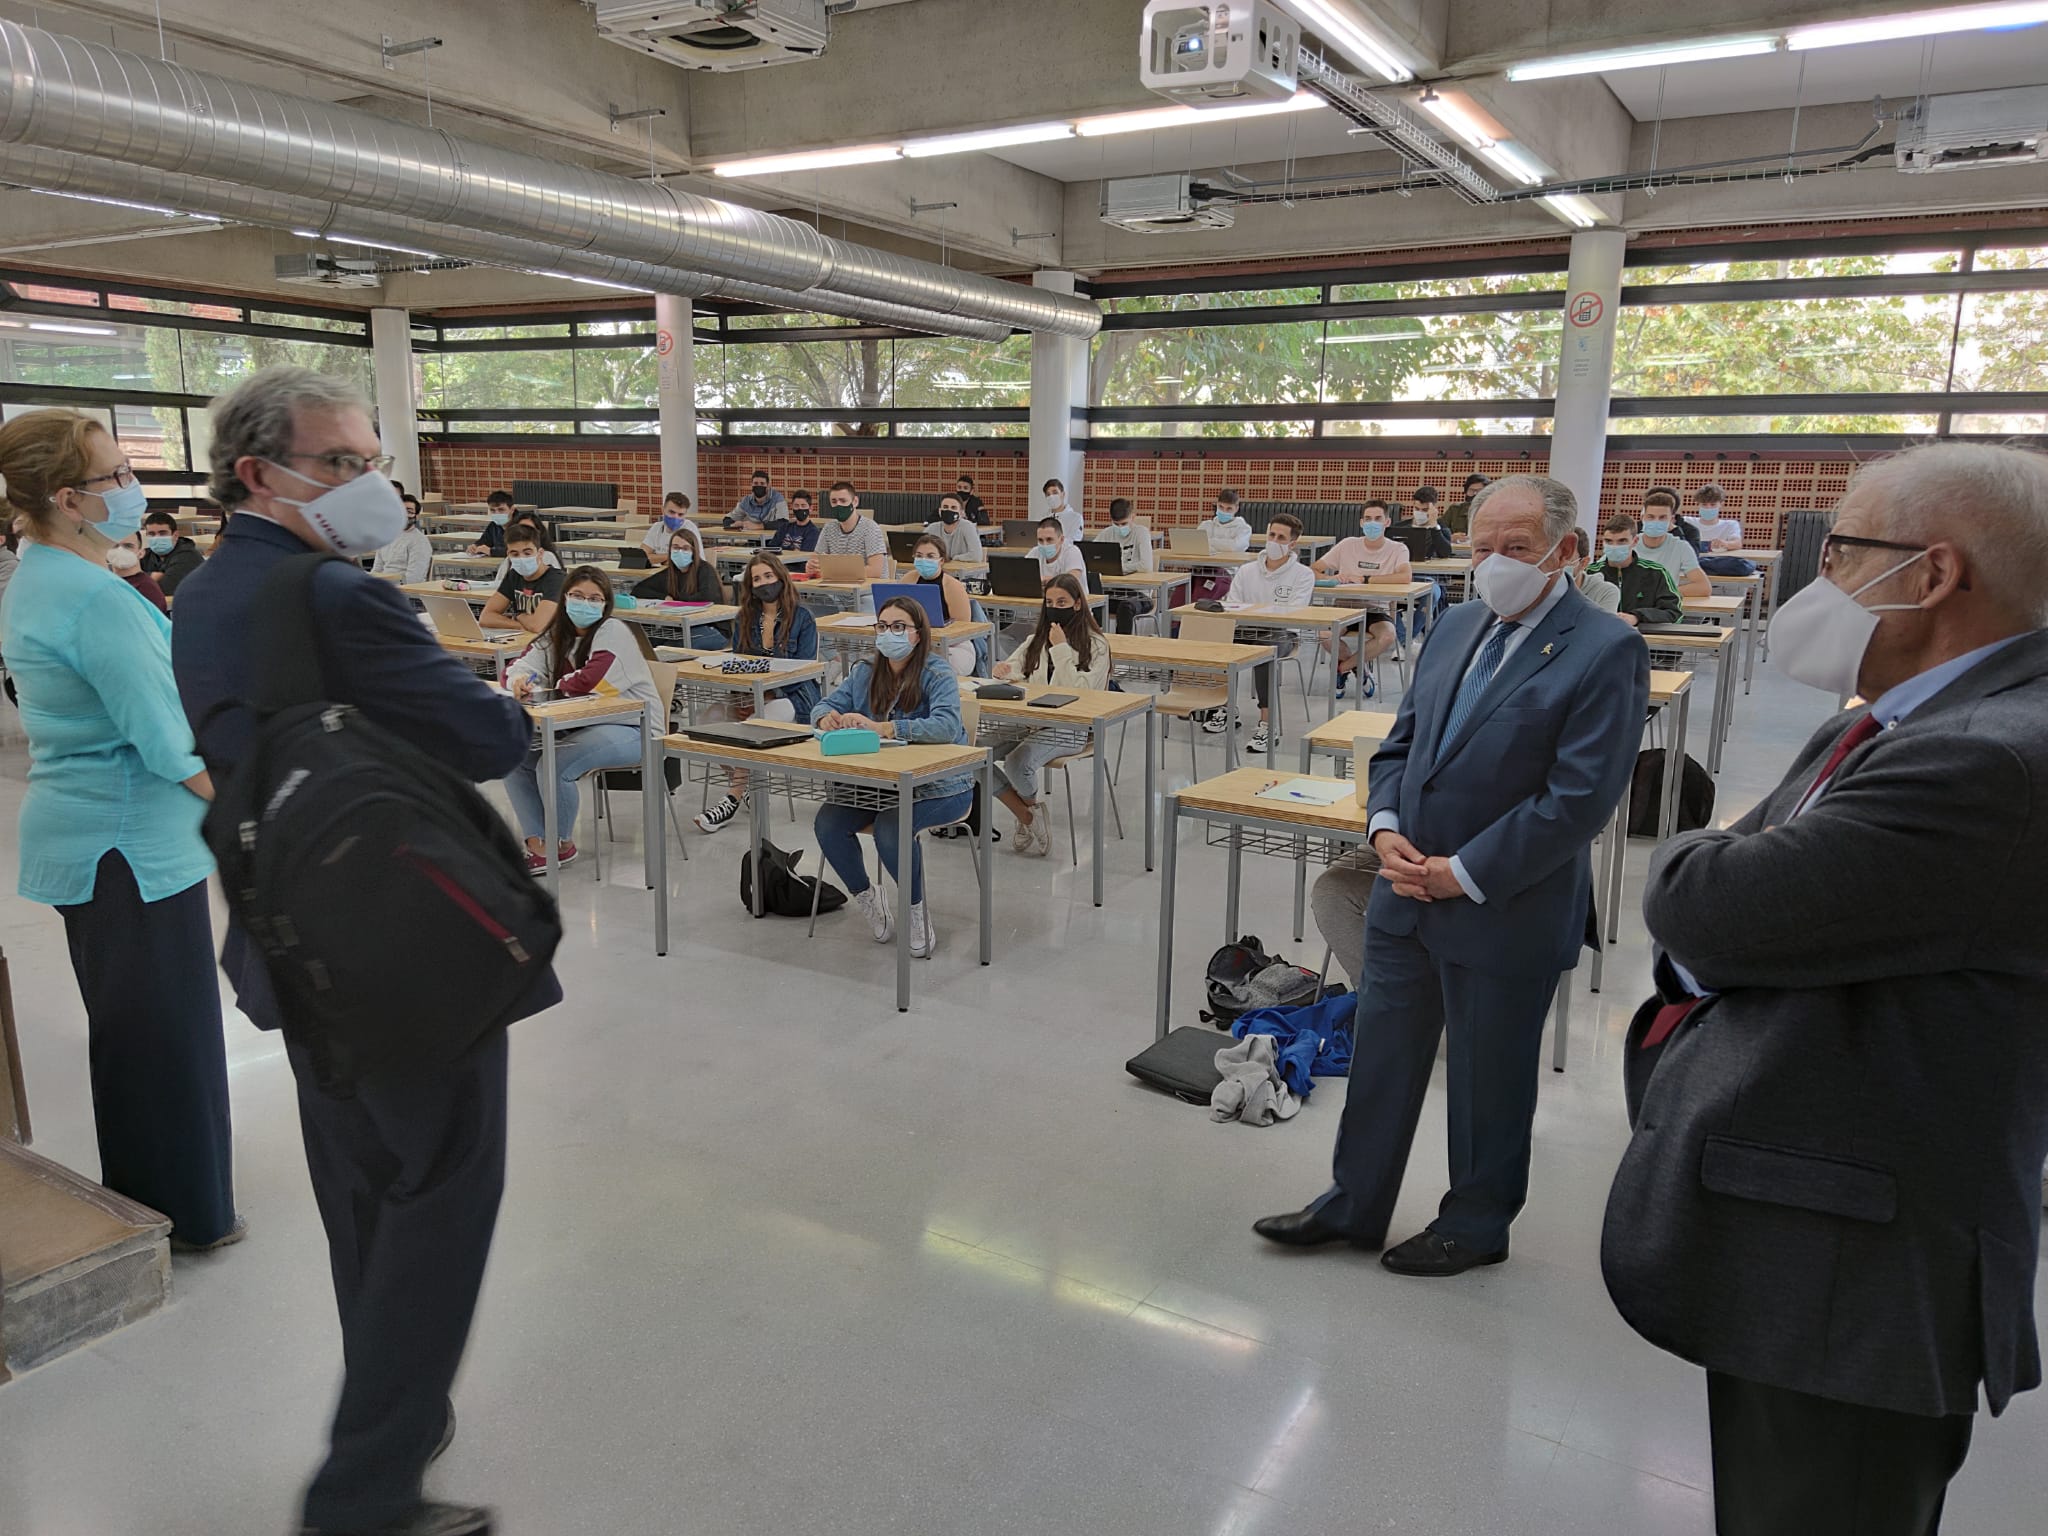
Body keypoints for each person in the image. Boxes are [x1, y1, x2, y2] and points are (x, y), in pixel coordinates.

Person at [1602, 442, 2048, 1536]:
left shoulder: (1988, 757)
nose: (1819, 584)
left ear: (1933, 575)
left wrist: (1707, 876)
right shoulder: (1900, 714)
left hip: (1854, 1269)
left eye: (1841, 552)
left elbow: (1698, 899)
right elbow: (1745, 888)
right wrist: (1731, 884)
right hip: (1817, 1233)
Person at [172, 365, 548, 1536]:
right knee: (441, 1196)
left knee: (362, 1185)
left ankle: (392, 1400)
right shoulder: (336, 596)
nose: (371, 482)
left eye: (374, 458)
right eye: (341, 462)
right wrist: (510, 701)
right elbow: (482, 736)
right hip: (403, 947)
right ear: (259, 473)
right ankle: (367, 1489)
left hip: (293, 931)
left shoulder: (200, 590)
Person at [1254, 474, 1647, 1276]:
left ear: (1565, 553)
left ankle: (1476, 1223)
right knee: (1383, 1060)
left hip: (1505, 903)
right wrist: (1385, 825)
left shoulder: (1606, 648)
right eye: (1482, 547)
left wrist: (1462, 872)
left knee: (1487, 1078)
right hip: (1405, 890)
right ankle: (1353, 1201)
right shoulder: (1458, 623)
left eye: (1517, 549)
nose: (1494, 563)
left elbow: (1578, 800)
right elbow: (1401, 745)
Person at [0, 407, 238, 1254]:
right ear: (67, 497)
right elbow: (164, 735)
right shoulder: (90, 596)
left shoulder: (44, 575)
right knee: (165, 1042)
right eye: (117, 477)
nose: (134, 490)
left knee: (143, 1034)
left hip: (109, 843)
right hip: (126, 850)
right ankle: (185, 1217)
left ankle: (163, 1200)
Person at [809, 597, 973, 959]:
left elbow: (946, 726)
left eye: (898, 627)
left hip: (942, 785)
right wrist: (826, 719)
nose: (888, 634)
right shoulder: (866, 671)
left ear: (917, 635)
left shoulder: (937, 672)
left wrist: (884, 727)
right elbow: (823, 705)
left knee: (890, 828)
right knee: (828, 823)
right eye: (882, 627)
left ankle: (915, 909)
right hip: (881, 783)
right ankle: (868, 897)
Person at [503, 567, 659, 873]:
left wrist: (552, 685)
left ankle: (561, 844)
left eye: (593, 598)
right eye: (576, 596)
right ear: (564, 598)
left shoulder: (613, 631)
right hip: (582, 722)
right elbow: (520, 665)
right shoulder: (557, 632)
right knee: (515, 756)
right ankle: (537, 844)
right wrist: (520, 680)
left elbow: (589, 681)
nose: (584, 604)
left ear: (605, 604)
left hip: (634, 727)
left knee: (555, 764)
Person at [694, 553, 821, 835]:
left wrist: (769, 695)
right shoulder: (745, 617)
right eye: (757, 579)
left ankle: (732, 798)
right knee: (706, 723)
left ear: (780, 577)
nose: (764, 583)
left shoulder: (803, 617)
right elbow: (739, 663)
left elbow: (804, 670)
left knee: (753, 727)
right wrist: (744, 696)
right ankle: (747, 784)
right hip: (751, 693)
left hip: (794, 697)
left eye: (768, 576)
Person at [987, 572, 1110, 857]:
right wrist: (1003, 672)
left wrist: (1061, 649)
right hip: (1029, 720)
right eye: (1050, 602)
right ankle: (1027, 814)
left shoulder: (1097, 645)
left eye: (1062, 601)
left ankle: (1025, 815)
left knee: (1018, 762)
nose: (1055, 607)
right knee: (968, 755)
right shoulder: (1035, 639)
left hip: (1071, 726)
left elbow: (1080, 693)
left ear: (1078, 604)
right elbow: (1016, 670)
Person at [1205, 513, 1315, 755]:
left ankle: (1267, 723)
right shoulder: (1246, 571)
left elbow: (1294, 612)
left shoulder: (1303, 575)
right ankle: (1225, 706)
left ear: (1292, 544)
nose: (1274, 540)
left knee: (1265, 653)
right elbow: (1233, 604)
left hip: (1282, 633)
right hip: (1246, 628)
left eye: (1281, 537)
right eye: (1272, 535)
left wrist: (1258, 612)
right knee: (1218, 643)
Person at [1315, 503, 1410, 699]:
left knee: (1387, 636)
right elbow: (1313, 569)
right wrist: (1332, 578)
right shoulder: (1347, 544)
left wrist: (1365, 579)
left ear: (1387, 522)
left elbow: (1404, 576)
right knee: (1324, 635)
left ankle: (1343, 668)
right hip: (1343, 606)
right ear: (1361, 522)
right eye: (1368, 519)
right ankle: (1361, 670)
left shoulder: (1397, 549)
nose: (1372, 523)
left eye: (1377, 519)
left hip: (1376, 608)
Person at [1587, 513, 1684, 628]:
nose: (1614, 546)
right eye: (1608, 541)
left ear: (1635, 541)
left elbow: (1674, 614)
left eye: (1622, 541)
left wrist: (1637, 617)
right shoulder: (1590, 573)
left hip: (1643, 640)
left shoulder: (1656, 573)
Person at [908, 532, 977, 675]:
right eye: (919, 556)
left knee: (931, 668)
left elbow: (963, 628)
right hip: (915, 642)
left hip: (953, 646)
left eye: (930, 556)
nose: (923, 560)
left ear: (941, 560)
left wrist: (934, 636)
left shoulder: (953, 586)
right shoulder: (908, 579)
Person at [480, 523, 562, 634]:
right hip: (524, 639)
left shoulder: (556, 580)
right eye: (515, 554)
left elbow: (538, 626)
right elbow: (486, 617)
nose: (522, 558)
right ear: (508, 554)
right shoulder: (514, 575)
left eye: (527, 553)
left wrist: (519, 615)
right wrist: (518, 625)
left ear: (540, 553)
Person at [1095, 497, 1156, 633]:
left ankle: (1121, 648)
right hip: (1113, 591)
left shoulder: (1141, 533)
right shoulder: (1106, 534)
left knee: (1125, 607)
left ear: (1133, 517)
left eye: (1124, 523)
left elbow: (1146, 566)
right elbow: (1091, 559)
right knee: (1089, 603)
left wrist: (1119, 569)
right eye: (1116, 524)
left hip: (1140, 594)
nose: (1120, 528)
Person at [1639, 489, 1711, 602]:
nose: (1656, 522)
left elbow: (1703, 587)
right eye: (1651, 517)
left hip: (1662, 608)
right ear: (1642, 517)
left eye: (1662, 517)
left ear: (1671, 519)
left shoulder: (1681, 546)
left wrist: (1664, 592)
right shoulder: (1628, 542)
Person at [632, 522, 723, 607]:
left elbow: (707, 597)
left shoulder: (705, 570)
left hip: (707, 621)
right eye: (675, 547)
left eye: (685, 548)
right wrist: (665, 597)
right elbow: (638, 590)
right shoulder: (670, 572)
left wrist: (675, 599)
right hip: (681, 619)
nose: (680, 551)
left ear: (693, 551)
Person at [816, 480, 889, 579]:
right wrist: (812, 566)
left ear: (855, 502)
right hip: (838, 589)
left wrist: (836, 571)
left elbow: (875, 571)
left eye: (843, 501)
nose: (838, 505)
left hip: (867, 591)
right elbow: (816, 559)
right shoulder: (829, 528)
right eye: (834, 501)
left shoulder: (870, 528)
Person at [140, 508, 206, 594]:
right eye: (151, 534)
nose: (157, 538)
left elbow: (165, 588)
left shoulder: (187, 556)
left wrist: (139, 577)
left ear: (175, 535)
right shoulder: (146, 554)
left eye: (162, 533)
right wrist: (151, 576)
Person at [372, 494, 433, 585]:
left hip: (405, 592)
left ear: (416, 516)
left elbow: (414, 578)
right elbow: (377, 570)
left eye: (409, 511)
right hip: (383, 589)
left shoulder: (419, 541)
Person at [107, 535, 171, 613]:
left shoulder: (146, 588)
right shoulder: (107, 582)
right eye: (114, 546)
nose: (120, 550)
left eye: (128, 546)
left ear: (141, 553)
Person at [923, 492, 982, 564]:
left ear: (961, 513)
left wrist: (954, 558)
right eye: (945, 507)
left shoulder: (968, 527)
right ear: (939, 511)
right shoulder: (931, 529)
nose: (949, 510)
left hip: (966, 573)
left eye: (953, 508)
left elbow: (976, 556)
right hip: (939, 570)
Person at [638, 491, 692, 567]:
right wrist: (670, 556)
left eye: (680, 514)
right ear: (663, 510)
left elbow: (685, 562)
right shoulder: (657, 527)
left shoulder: (689, 529)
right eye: (672, 512)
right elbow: (641, 557)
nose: (676, 517)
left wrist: (657, 558)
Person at [1691, 484, 1745, 551]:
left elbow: (1737, 544)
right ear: (1698, 504)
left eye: (1713, 504)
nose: (1708, 508)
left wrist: (1725, 544)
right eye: (1704, 504)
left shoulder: (1730, 525)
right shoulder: (1688, 522)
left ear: (1721, 504)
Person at [769, 489, 821, 556]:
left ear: (810, 508)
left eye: (803, 505)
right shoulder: (784, 527)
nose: (799, 508)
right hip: (779, 564)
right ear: (792, 507)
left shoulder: (813, 532)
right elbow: (772, 548)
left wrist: (782, 551)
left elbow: (803, 555)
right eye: (796, 505)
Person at [466, 489, 515, 557]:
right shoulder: (493, 525)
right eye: (492, 510)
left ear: (512, 509)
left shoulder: (522, 525)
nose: (497, 513)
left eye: (501, 510)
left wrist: (491, 551)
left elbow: (518, 550)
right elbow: (484, 541)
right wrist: (475, 546)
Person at [1442, 474, 1487, 539]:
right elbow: (1439, 532)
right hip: (1459, 548)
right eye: (1471, 490)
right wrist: (1450, 537)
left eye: (1479, 491)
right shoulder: (1455, 509)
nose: (1475, 494)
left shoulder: (1494, 511)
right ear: (1466, 492)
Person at [1043, 477, 1082, 543]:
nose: (1051, 497)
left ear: (1063, 494)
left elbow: (1075, 540)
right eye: (1048, 494)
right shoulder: (1043, 518)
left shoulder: (1076, 518)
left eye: (1055, 492)